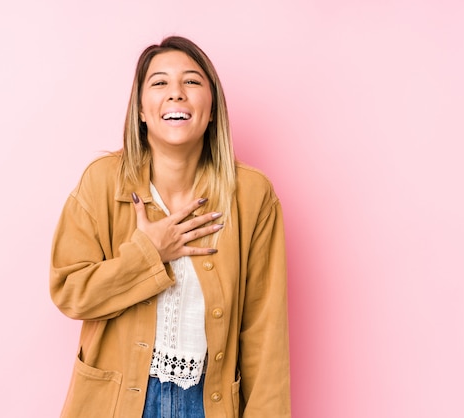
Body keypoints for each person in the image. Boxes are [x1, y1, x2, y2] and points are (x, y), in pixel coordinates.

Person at [50, 36, 291, 418]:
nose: (176, 94)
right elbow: (70, 293)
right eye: (159, 83)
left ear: (212, 110)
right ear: (141, 110)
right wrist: (149, 254)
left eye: (192, 82)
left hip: (207, 402)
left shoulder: (252, 195)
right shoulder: (101, 182)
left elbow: (265, 329)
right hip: (116, 403)